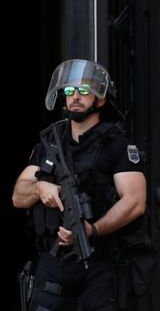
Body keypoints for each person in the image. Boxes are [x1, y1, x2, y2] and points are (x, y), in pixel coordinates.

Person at [12, 59, 149, 311]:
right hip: (53, 264)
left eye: (84, 91)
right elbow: (18, 196)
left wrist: (91, 230)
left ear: (100, 99)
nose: (75, 97)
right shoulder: (50, 143)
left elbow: (135, 201)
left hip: (98, 265)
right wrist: (40, 187)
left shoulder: (116, 144)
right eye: (69, 91)